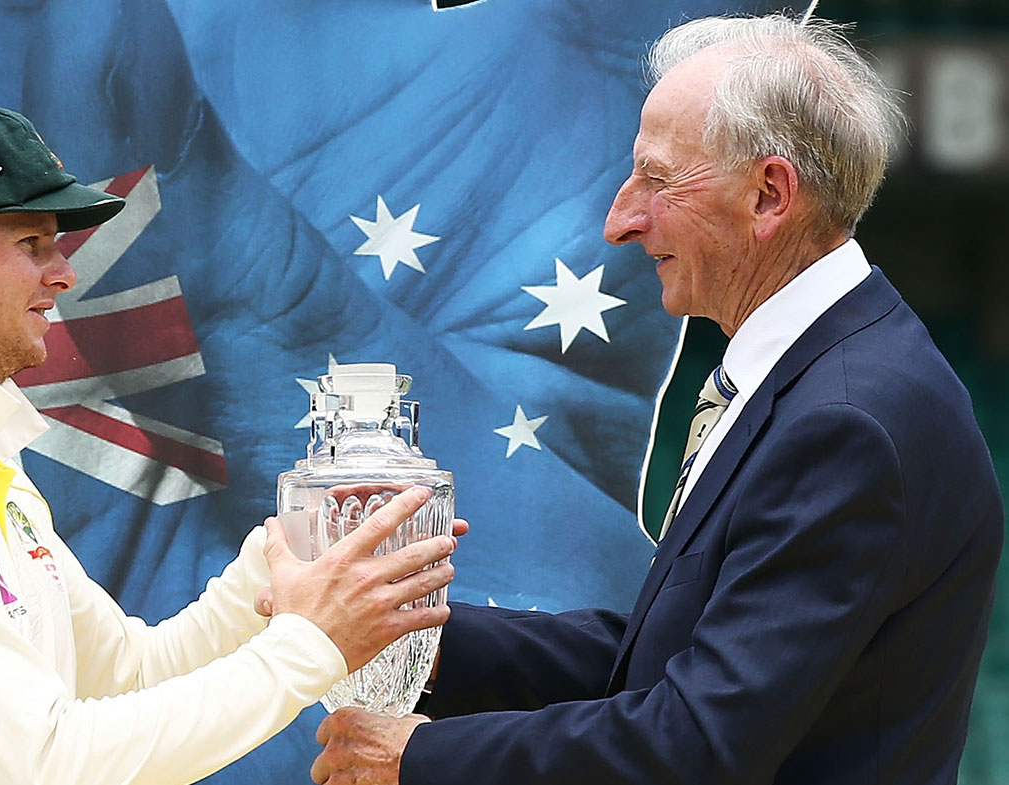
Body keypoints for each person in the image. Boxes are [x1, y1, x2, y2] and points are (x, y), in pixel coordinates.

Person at [312, 12, 1003, 785]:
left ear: (770, 194)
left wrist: (415, 756)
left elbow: (694, 744)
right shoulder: (827, 372)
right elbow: (667, 655)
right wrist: (415, 639)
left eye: (658, 177)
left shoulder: (847, 421)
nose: (620, 221)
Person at [0, 95, 459, 785]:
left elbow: (131, 674)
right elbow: (51, 764)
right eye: (31, 243)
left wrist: (284, 562)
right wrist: (310, 643)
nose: (64, 272)